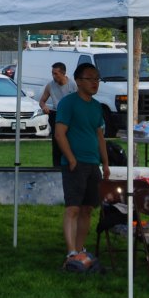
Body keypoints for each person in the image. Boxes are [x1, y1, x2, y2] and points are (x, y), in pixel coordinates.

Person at [54, 62, 110, 272]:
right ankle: (71, 253)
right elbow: (59, 133)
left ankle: (79, 250)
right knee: (73, 208)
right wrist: (71, 159)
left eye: (97, 78)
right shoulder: (68, 103)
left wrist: (105, 162)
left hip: (93, 163)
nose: (95, 82)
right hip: (75, 163)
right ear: (78, 81)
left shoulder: (96, 106)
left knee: (87, 209)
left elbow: (99, 136)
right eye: (90, 78)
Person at [39, 62, 74, 166]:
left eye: (56, 74)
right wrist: (44, 107)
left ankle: (70, 163)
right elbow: (42, 101)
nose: (54, 76)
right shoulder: (50, 85)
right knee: (57, 142)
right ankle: (56, 166)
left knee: (70, 142)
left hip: (70, 116)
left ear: (63, 73)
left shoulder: (73, 85)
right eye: (52, 73)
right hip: (57, 114)